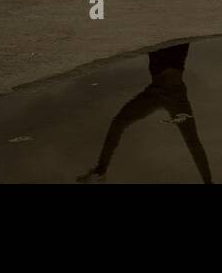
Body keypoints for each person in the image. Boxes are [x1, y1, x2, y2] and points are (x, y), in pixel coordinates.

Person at [77, 43, 213, 184]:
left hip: (172, 94)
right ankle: (101, 170)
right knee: (119, 122)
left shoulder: (174, 35)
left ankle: (101, 169)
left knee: (191, 140)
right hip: (160, 92)